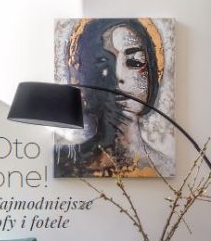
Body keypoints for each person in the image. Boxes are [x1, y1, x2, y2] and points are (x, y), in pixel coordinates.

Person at [55, 18, 172, 177]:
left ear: (151, 74)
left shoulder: (165, 168)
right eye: (103, 62)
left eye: (135, 62)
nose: (118, 75)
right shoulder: (65, 164)